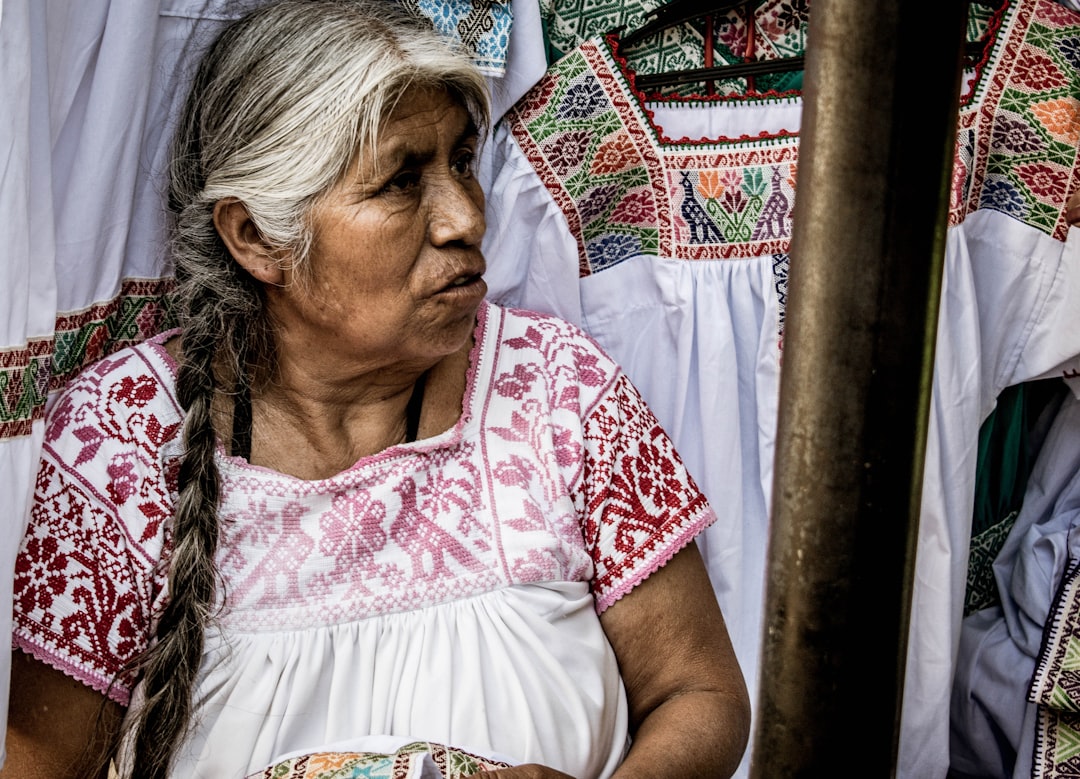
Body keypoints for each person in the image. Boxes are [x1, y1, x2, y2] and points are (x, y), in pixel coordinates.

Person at [2, 1, 750, 777]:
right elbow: (37, 760)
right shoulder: (117, 440)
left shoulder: (557, 388)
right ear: (257, 237)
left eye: (462, 161)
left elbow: (698, 691)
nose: (464, 218)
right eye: (401, 181)